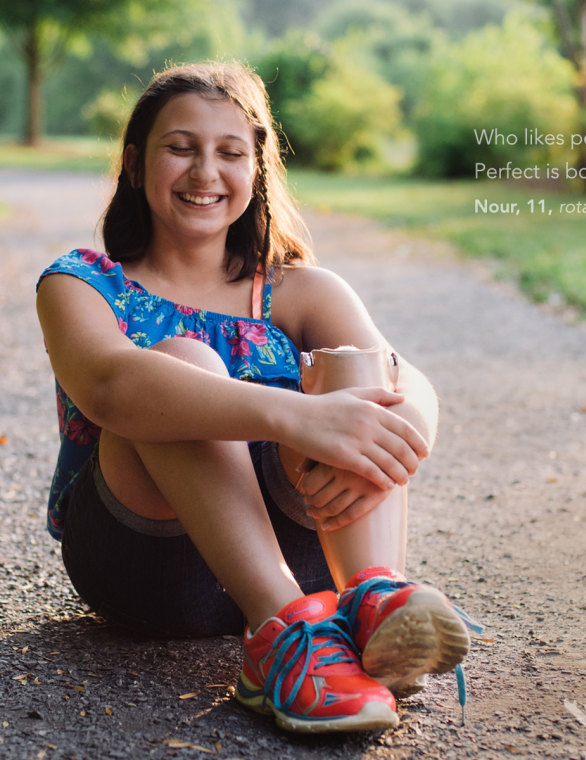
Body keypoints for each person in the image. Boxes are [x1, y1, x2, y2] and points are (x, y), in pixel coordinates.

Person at [35, 62, 474, 734]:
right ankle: (282, 636)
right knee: (180, 364)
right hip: (144, 562)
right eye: (180, 148)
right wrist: (300, 416)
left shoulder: (298, 290)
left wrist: (401, 423)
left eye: (230, 153)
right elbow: (109, 388)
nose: (205, 172)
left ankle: (370, 602)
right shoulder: (81, 284)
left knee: (356, 369)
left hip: (303, 555)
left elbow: (400, 377)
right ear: (133, 163)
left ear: (257, 170)